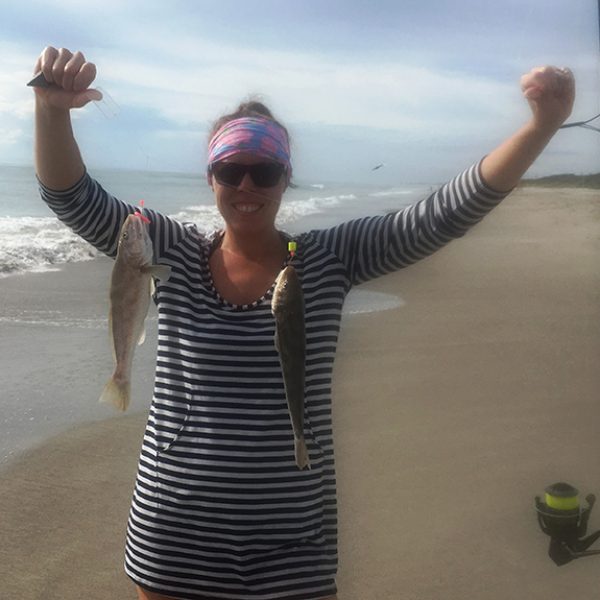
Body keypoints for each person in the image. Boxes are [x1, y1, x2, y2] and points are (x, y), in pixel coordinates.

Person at [33, 46, 575, 600]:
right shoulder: (169, 251)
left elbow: (441, 216)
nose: (247, 186)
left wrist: (542, 126)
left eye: (264, 171)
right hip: (174, 529)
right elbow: (71, 197)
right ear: (212, 176)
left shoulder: (326, 258)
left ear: (285, 177)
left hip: (290, 535)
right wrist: (51, 110)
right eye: (231, 170)